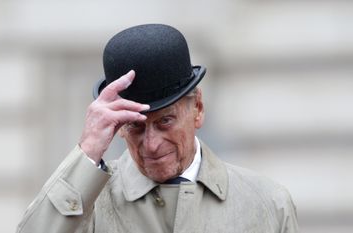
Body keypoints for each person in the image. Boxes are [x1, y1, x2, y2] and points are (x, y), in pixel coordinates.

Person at [16, 24, 299, 233]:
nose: (151, 144)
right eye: (135, 126)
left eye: (165, 121)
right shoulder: (87, 206)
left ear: (197, 108)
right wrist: (87, 151)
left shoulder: (267, 205)